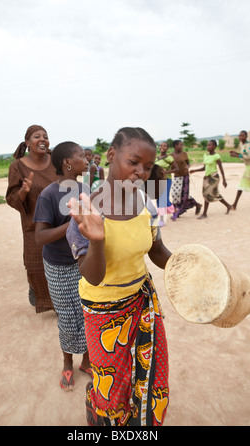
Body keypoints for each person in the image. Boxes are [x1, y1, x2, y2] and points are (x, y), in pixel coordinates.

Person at [67, 127, 171, 426]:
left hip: (142, 304)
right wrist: (97, 240)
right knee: (111, 390)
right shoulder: (86, 209)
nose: (141, 172)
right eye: (133, 162)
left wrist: (189, 266)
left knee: (151, 380)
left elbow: (157, 249)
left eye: (147, 167)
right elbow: (93, 277)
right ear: (112, 155)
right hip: (104, 311)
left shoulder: (147, 205)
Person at [34, 141, 92, 390]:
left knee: (90, 314)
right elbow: (41, 237)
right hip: (59, 266)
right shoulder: (49, 194)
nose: (86, 159)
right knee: (68, 318)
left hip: (85, 261)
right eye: (81, 156)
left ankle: (87, 361)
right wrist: (72, 222)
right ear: (68, 163)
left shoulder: (85, 188)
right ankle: (68, 362)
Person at [6, 125, 57, 312]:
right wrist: (23, 191)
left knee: (63, 265)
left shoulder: (57, 161)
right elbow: (11, 198)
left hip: (59, 224)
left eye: (46, 135)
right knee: (38, 266)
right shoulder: (17, 167)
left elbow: (69, 182)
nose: (43, 139)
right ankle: (41, 295)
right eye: (37, 136)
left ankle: (63, 304)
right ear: (27, 142)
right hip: (33, 226)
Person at [190, 140, 231, 219]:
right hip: (206, 177)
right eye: (207, 145)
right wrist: (194, 170)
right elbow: (204, 168)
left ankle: (204, 213)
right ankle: (228, 205)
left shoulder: (216, 156)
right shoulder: (205, 155)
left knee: (207, 194)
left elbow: (221, 169)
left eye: (210, 145)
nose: (208, 146)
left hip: (214, 177)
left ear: (215, 146)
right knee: (215, 194)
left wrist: (224, 180)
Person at [230, 130, 250, 210]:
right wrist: (237, 153)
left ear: (246, 136)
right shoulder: (243, 144)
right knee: (243, 186)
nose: (240, 137)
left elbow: (248, 157)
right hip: (249, 167)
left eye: (242, 136)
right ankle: (234, 205)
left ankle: (234, 205)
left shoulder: (249, 145)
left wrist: (237, 156)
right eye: (239, 135)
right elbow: (244, 154)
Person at [170, 140, 202, 220]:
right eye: (180, 145)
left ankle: (177, 212)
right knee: (175, 194)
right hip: (177, 177)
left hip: (185, 176)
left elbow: (188, 163)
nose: (182, 146)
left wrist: (188, 166)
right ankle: (197, 204)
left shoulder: (184, 154)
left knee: (184, 196)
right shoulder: (170, 156)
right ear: (175, 146)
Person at [154, 141, 179, 226]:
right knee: (159, 199)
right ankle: (174, 210)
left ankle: (161, 220)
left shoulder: (169, 158)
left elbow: (176, 169)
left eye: (164, 146)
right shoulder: (156, 158)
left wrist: (166, 172)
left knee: (163, 199)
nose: (162, 147)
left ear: (167, 148)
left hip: (166, 180)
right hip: (157, 181)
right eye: (161, 146)